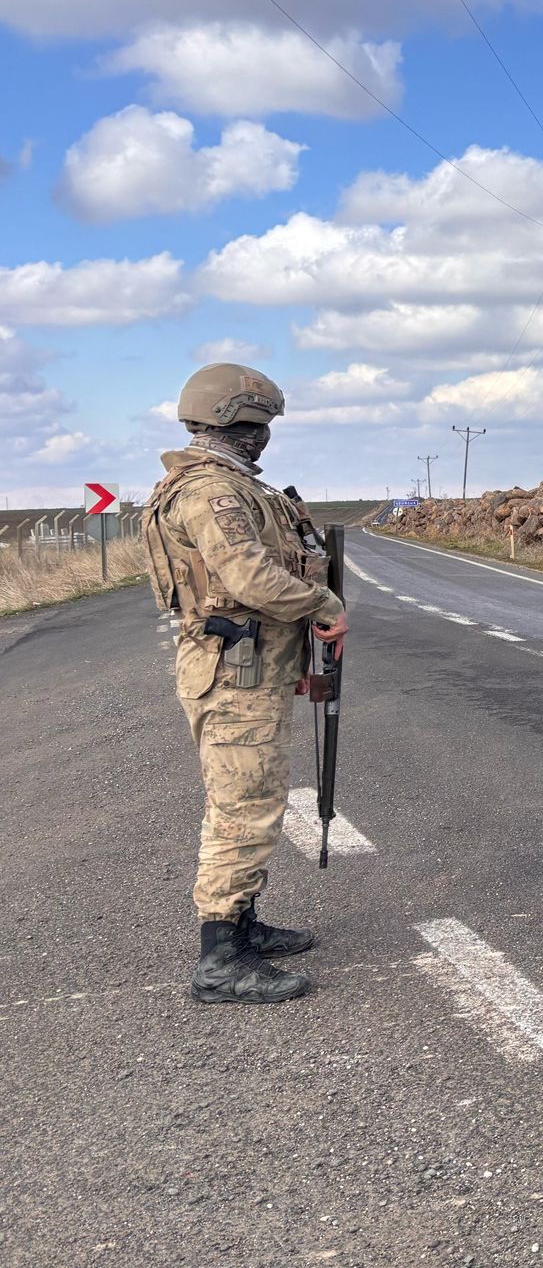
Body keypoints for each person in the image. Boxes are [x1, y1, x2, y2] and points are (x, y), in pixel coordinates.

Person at [142, 364, 348, 1004]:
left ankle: (243, 924)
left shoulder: (218, 487)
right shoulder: (214, 495)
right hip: (237, 673)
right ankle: (220, 958)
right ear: (240, 423)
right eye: (259, 426)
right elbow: (252, 581)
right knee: (244, 809)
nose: (264, 440)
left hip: (246, 668)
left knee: (251, 801)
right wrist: (323, 604)